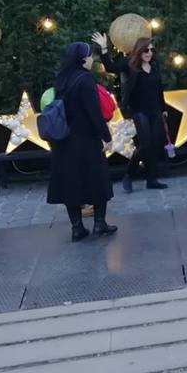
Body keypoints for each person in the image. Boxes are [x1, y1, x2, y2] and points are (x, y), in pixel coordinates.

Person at [47, 42, 117, 242]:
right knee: (98, 179)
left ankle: (77, 227)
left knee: (71, 182)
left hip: (64, 139)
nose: (92, 59)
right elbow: (93, 112)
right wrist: (106, 136)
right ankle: (99, 223)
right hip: (86, 138)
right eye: (89, 56)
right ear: (82, 59)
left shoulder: (62, 78)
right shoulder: (85, 79)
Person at [92, 32, 168, 193]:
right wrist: (104, 48)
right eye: (146, 50)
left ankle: (152, 179)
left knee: (154, 144)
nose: (149, 53)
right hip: (139, 110)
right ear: (139, 51)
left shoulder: (154, 66)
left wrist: (163, 109)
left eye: (151, 50)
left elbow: (159, 89)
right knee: (145, 144)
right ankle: (128, 174)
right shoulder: (130, 64)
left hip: (155, 110)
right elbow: (111, 67)